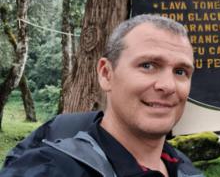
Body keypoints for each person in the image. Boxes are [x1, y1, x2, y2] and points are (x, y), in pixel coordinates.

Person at [1, 14, 203, 177]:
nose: (168, 86)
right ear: (106, 74)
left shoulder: (184, 168)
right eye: (148, 65)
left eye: (180, 72)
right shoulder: (52, 169)